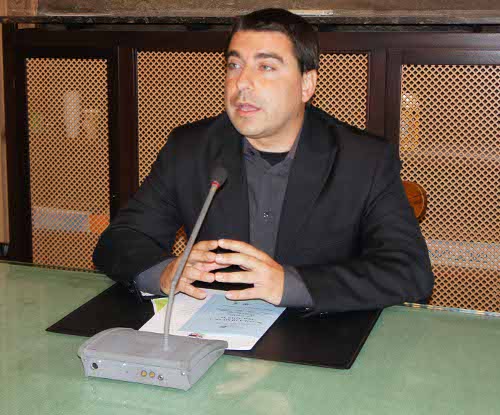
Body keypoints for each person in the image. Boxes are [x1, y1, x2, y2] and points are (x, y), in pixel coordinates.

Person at [93, 8, 434, 313]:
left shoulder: (364, 159)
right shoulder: (190, 149)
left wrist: (290, 284)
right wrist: (165, 272)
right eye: (234, 65)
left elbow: (409, 272)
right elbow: (120, 239)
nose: (242, 82)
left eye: (266, 67)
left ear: (306, 84)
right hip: (214, 336)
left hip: (320, 338)